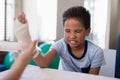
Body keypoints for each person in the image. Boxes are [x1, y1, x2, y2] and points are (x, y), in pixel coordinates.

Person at [15, 6, 106, 75]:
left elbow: (92, 78)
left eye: (77, 31)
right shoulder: (61, 45)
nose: (72, 36)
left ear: (87, 31)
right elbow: (44, 63)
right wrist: (30, 48)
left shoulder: (96, 52)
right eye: (67, 31)